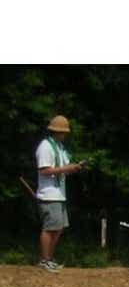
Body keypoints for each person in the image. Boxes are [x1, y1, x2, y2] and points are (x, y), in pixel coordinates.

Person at [35, 115, 86, 272]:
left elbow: (63, 168)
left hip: (59, 194)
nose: (64, 135)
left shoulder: (60, 147)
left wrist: (75, 167)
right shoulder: (45, 146)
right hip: (49, 194)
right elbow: (44, 170)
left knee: (59, 227)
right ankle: (44, 260)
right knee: (49, 227)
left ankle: (49, 258)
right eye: (62, 132)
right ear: (56, 131)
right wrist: (66, 168)